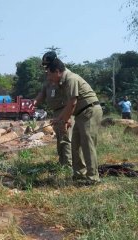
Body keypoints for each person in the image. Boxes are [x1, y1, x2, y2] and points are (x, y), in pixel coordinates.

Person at [37, 51, 103, 184]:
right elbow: (68, 104)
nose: (49, 78)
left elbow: (72, 102)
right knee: (75, 145)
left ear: (57, 71)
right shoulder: (62, 82)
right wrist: (62, 118)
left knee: (87, 144)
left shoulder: (71, 79)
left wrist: (62, 119)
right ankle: (79, 174)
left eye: (50, 75)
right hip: (80, 114)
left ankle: (93, 177)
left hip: (89, 111)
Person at [33, 54, 74, 167]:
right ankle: (62, 163)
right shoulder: (48, 75)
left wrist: (68, 116)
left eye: (47, 65)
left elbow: (71, 98)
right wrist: (35, 102)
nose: (45, 68)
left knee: (65, 138)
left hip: (65, 109)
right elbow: (43, 92)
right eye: (45, 66)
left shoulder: (62, 75)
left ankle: (68, 165)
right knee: (59, 138)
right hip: (56, 111)